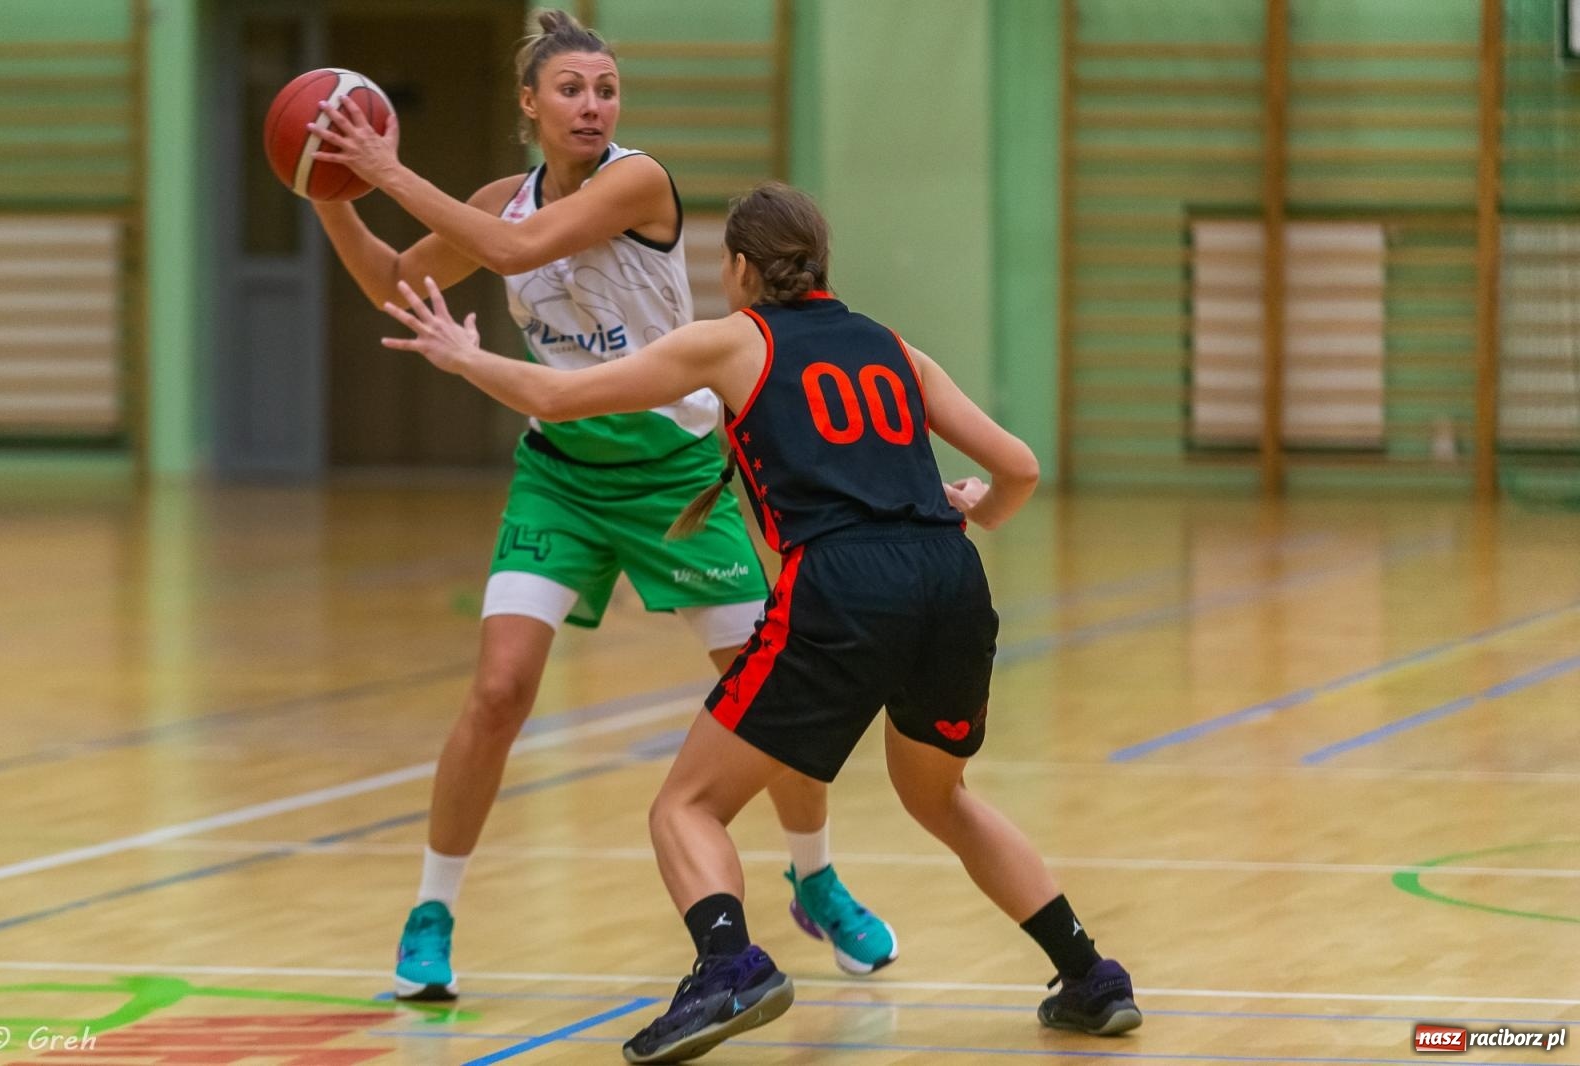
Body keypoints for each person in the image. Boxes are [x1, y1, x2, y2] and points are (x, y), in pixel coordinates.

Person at [379, 181, 1144, 1063]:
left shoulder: (730, 343)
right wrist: (975, 506)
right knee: (943, 797)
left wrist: (460, 354)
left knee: (686, 807)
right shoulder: (893, 348)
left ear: (740, 268)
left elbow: (557, 399)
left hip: (846, 587)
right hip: (950, 579)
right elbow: (1019, 467)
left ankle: (728, 964)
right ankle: (1089, 975)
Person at [299, 9, 896, 1001]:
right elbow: (397, 284)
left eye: (606, 88)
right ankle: (432, 910)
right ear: (528, 106)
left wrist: (387, 170)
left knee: (769, 697)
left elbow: (513, 252)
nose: (592, 105)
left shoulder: (638, 180)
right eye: (571, 89)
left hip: (676, 477)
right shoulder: (501, 198)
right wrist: (326, 190)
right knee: (497, 693)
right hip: (564, 472)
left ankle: (816, 873)